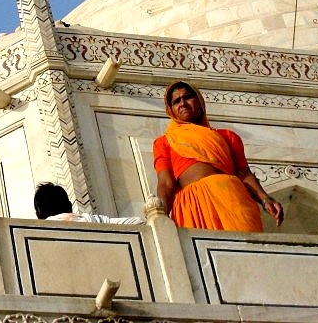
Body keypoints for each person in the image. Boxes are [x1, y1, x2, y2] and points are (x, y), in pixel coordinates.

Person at [153, 80, 284, 232]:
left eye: (188, 97)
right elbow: (166, 183)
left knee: (246, 248)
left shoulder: (228, 136)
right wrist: (159, 216)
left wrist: (264, 198)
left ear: (200, 102)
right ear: (171, 110)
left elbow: (244, 173)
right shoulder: (164, 142)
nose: (183, 103)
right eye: (176, 101)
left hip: (232, 197)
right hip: (194, 205)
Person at [34, 182, 145, 224]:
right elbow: (139, 222)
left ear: (38, 215)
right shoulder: (92, 221)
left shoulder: (34, 236)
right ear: (70, 207)